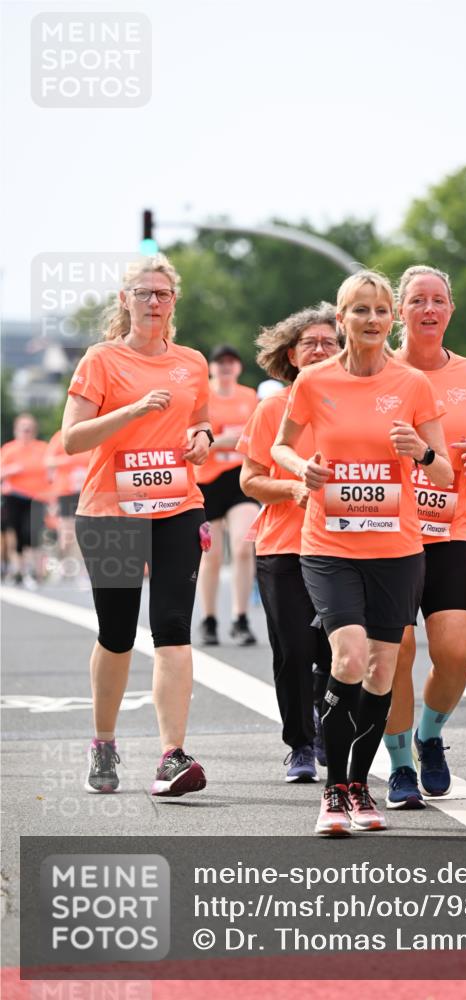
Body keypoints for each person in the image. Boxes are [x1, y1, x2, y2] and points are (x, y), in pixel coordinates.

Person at [272, 270, 453, 835]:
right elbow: (280, 444)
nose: (372, 320)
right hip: (328, 543)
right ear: (341, 318)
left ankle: (358, 784)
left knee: (381, 671)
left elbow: (445, 472)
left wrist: (421, 452)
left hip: (396, 548)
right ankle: (331, 793)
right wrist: (305, 468)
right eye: (360, 311)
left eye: (380, 311)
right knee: (348, 656)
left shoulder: (413, 386)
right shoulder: (314, 381)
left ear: (390, 319)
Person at [61, 253, 211, 798]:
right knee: (119, 633)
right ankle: (103, 742)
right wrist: (135, 411)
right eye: (144, 293)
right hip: (109, 512)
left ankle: (173, 754)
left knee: (173, 626)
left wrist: (203, 439)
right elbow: (73, 438)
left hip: (177, 506)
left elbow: (200, 420)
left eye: (162, 294)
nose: (153, 302)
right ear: (125, 301)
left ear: (174, 302)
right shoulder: (101, 360)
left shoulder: (192, 362)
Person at [382, 266, 466, 809]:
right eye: (417, 300)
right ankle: (400, 762)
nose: (429, 310)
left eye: (439, 301)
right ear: (400, 311)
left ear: (451, 311)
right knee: (398, 650)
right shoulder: (380, 370)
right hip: (387, 533)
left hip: (451, 528)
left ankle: (430, 735)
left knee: (455, 653)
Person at [238, 303, 340, 781]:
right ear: (291, 356)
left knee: (336, 651)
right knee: (295, 649)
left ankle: (325, 721)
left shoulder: (359, 402)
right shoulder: (272, 409)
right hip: (284, 546)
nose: (320, 350)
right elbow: (250, 480)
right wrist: (295, 489)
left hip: (347, 546)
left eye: (330, 342)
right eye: (310, 343)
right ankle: (300, 742)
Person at [195, 345, 259, 646]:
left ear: (238, 368)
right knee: (212, 555)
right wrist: (223, 441)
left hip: (239, 479)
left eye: (231, 362)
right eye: (220, 362)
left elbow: (260, 435)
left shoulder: (249, 397)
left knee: (245, 545)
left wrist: (242, 443)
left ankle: (241, 617)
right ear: (211, 367)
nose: (225, 367)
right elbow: (190, 440)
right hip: (205, 482)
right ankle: (209, 619)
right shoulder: (200, 396)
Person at [0, 413, 50, 587]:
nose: (26, 433)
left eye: (30, 429)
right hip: (14, 496)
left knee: (31, 532)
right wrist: (11, 470)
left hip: (36, 498)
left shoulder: (42, 448)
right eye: (23, 429)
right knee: (16, 533)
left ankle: (34, 570)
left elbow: (52, 472)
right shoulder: (9, 449)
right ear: (17, 431)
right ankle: (18, 570)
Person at [45, 428, 92, 581]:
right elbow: (48, 461)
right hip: (66, 491)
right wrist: (67, 461)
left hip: (87, 490)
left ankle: (81, 571)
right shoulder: (60, 435)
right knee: (67, 535)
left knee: (85, 533)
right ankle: (58, 563)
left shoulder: (92, 431)